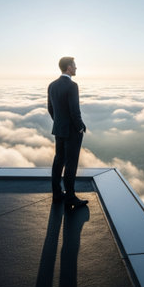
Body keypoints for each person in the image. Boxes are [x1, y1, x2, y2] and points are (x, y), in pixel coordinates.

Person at [47, 57, 88, 208]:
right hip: (72, 131)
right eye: (74, 65)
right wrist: (79, 127)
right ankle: (70, 197)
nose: (76, 68)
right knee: (71, 164)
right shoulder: (72, 86)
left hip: (59, 129)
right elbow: (74, 111)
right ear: (69, 67)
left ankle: (57, 194)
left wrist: (59, 123)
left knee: (58, 161)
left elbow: (50, 109)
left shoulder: (52, 85)